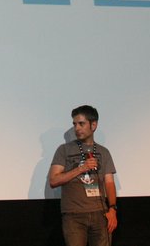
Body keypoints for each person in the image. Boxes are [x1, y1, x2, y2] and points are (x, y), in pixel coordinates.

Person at [49, 105, 118, 246]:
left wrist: (112, 209)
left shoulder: (104, 152)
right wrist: (81, 168)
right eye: (74, 124)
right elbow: (54, 180)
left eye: (81, 124)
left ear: (94, 125)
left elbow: (109, 182)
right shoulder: (64, 150)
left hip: (100, 213)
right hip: (74, 215)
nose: (77, 128)